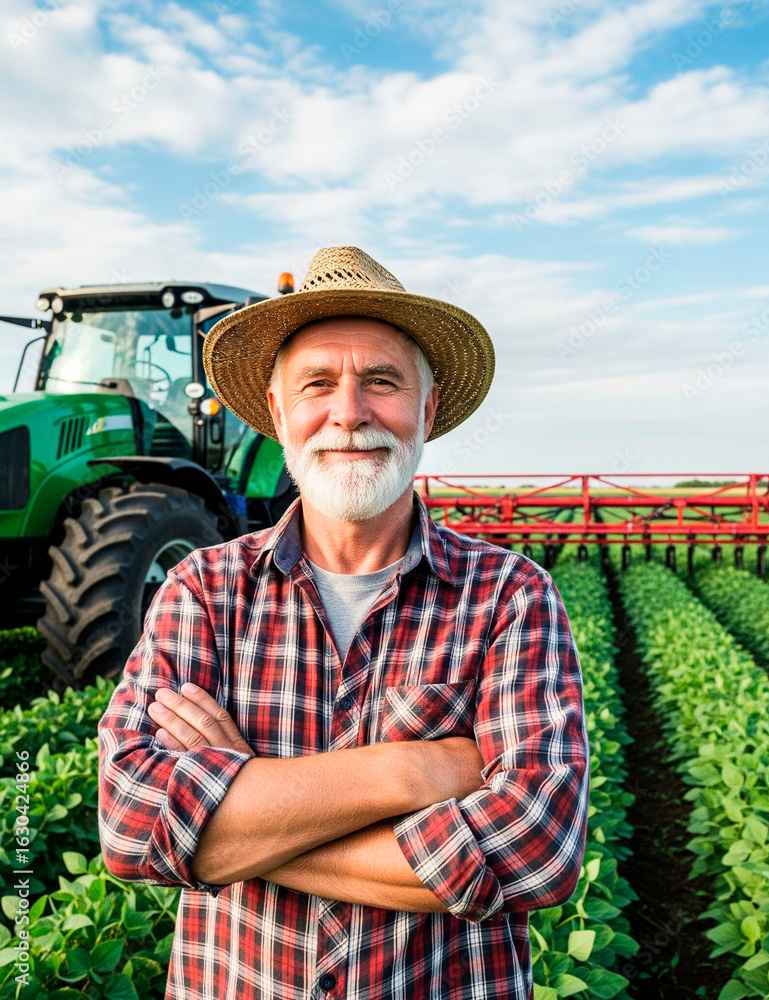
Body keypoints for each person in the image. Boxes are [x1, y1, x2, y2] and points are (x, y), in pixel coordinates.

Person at [96, 246, 590, 1000]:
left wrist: (240, 812)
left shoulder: (510, 596)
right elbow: (132, 827)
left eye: (382, 382)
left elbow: (536, 850)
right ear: (277, 411)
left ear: (426, 410)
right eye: (317, 384)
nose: (350, 412)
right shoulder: (202, 589)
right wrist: (413, 771)